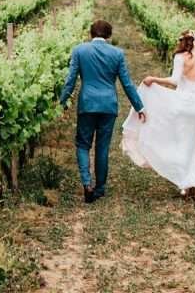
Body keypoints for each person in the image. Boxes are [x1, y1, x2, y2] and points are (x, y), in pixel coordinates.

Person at [122, 29, 195, 199]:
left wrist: (154, 79)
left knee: (182, 141)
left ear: (184, 41)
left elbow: (174, 81)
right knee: (194, 143)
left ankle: (185, 182)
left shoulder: (180, 58)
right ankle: (191, 183)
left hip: (182, 105)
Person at [59, 20, 146, 203]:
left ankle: (86, 182)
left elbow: (71, 80)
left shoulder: (79, 51)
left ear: (91, 34)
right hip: (108, 105)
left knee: (83, 144)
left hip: (87, 104)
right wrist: (139, 106)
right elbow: (127, 83)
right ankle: (99, 188)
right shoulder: (117, 53)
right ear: (109, 35)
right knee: (102, 147)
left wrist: (62, 102)